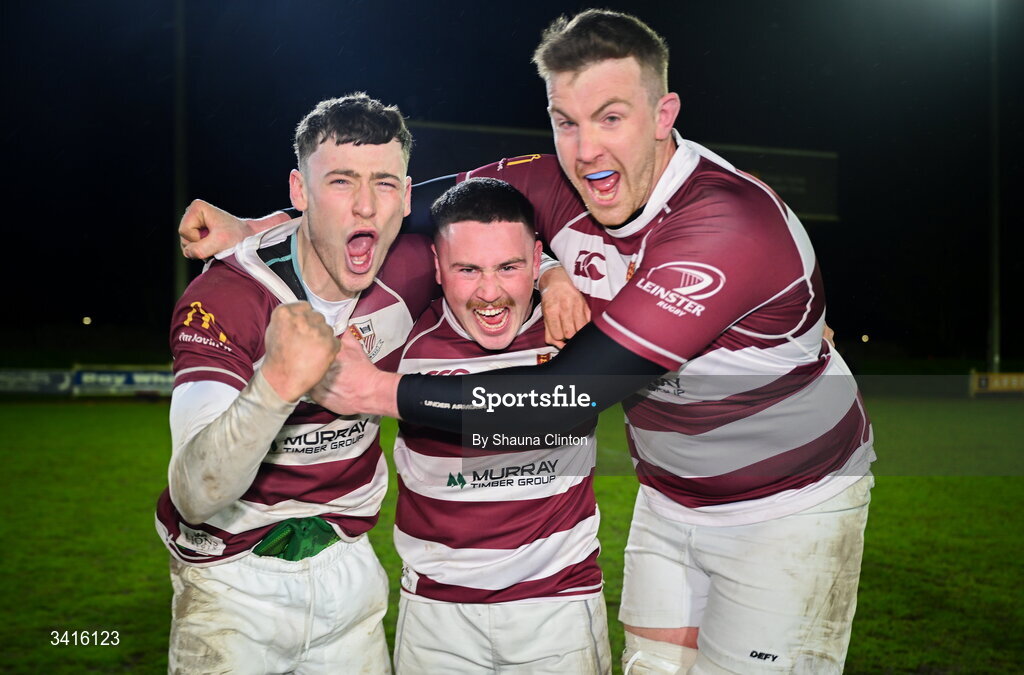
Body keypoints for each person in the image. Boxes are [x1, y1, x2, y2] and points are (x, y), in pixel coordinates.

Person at [180, 10, 873, 674]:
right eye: (565, 122)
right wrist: (260, 223)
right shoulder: (554, 184)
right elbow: (395, 201)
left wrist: (379, 390)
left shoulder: (725, 223)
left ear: (664, 117)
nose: (586, 149)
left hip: (789, 502)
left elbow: (564, 401)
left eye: (611, 117)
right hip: (671, 497)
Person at [156, 93, 437, 674]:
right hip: (232, 581)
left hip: (352, 567)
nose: (365, 207)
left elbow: (519, 200)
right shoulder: (228, 296)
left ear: (407, 197)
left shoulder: (412, 266)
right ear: (299, 190)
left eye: (384, 183)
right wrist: (275, 386)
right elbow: (194, 493)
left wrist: (553, 272)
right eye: (339, 182)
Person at [381, 176, 610, 674]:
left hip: (558, 608)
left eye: (509, 267)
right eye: (467, 269)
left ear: (535, 257)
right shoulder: (404, 336)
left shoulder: (578, 325)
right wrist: (258, 226)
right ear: (438, 268)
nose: (490, 294)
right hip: (436, 616)